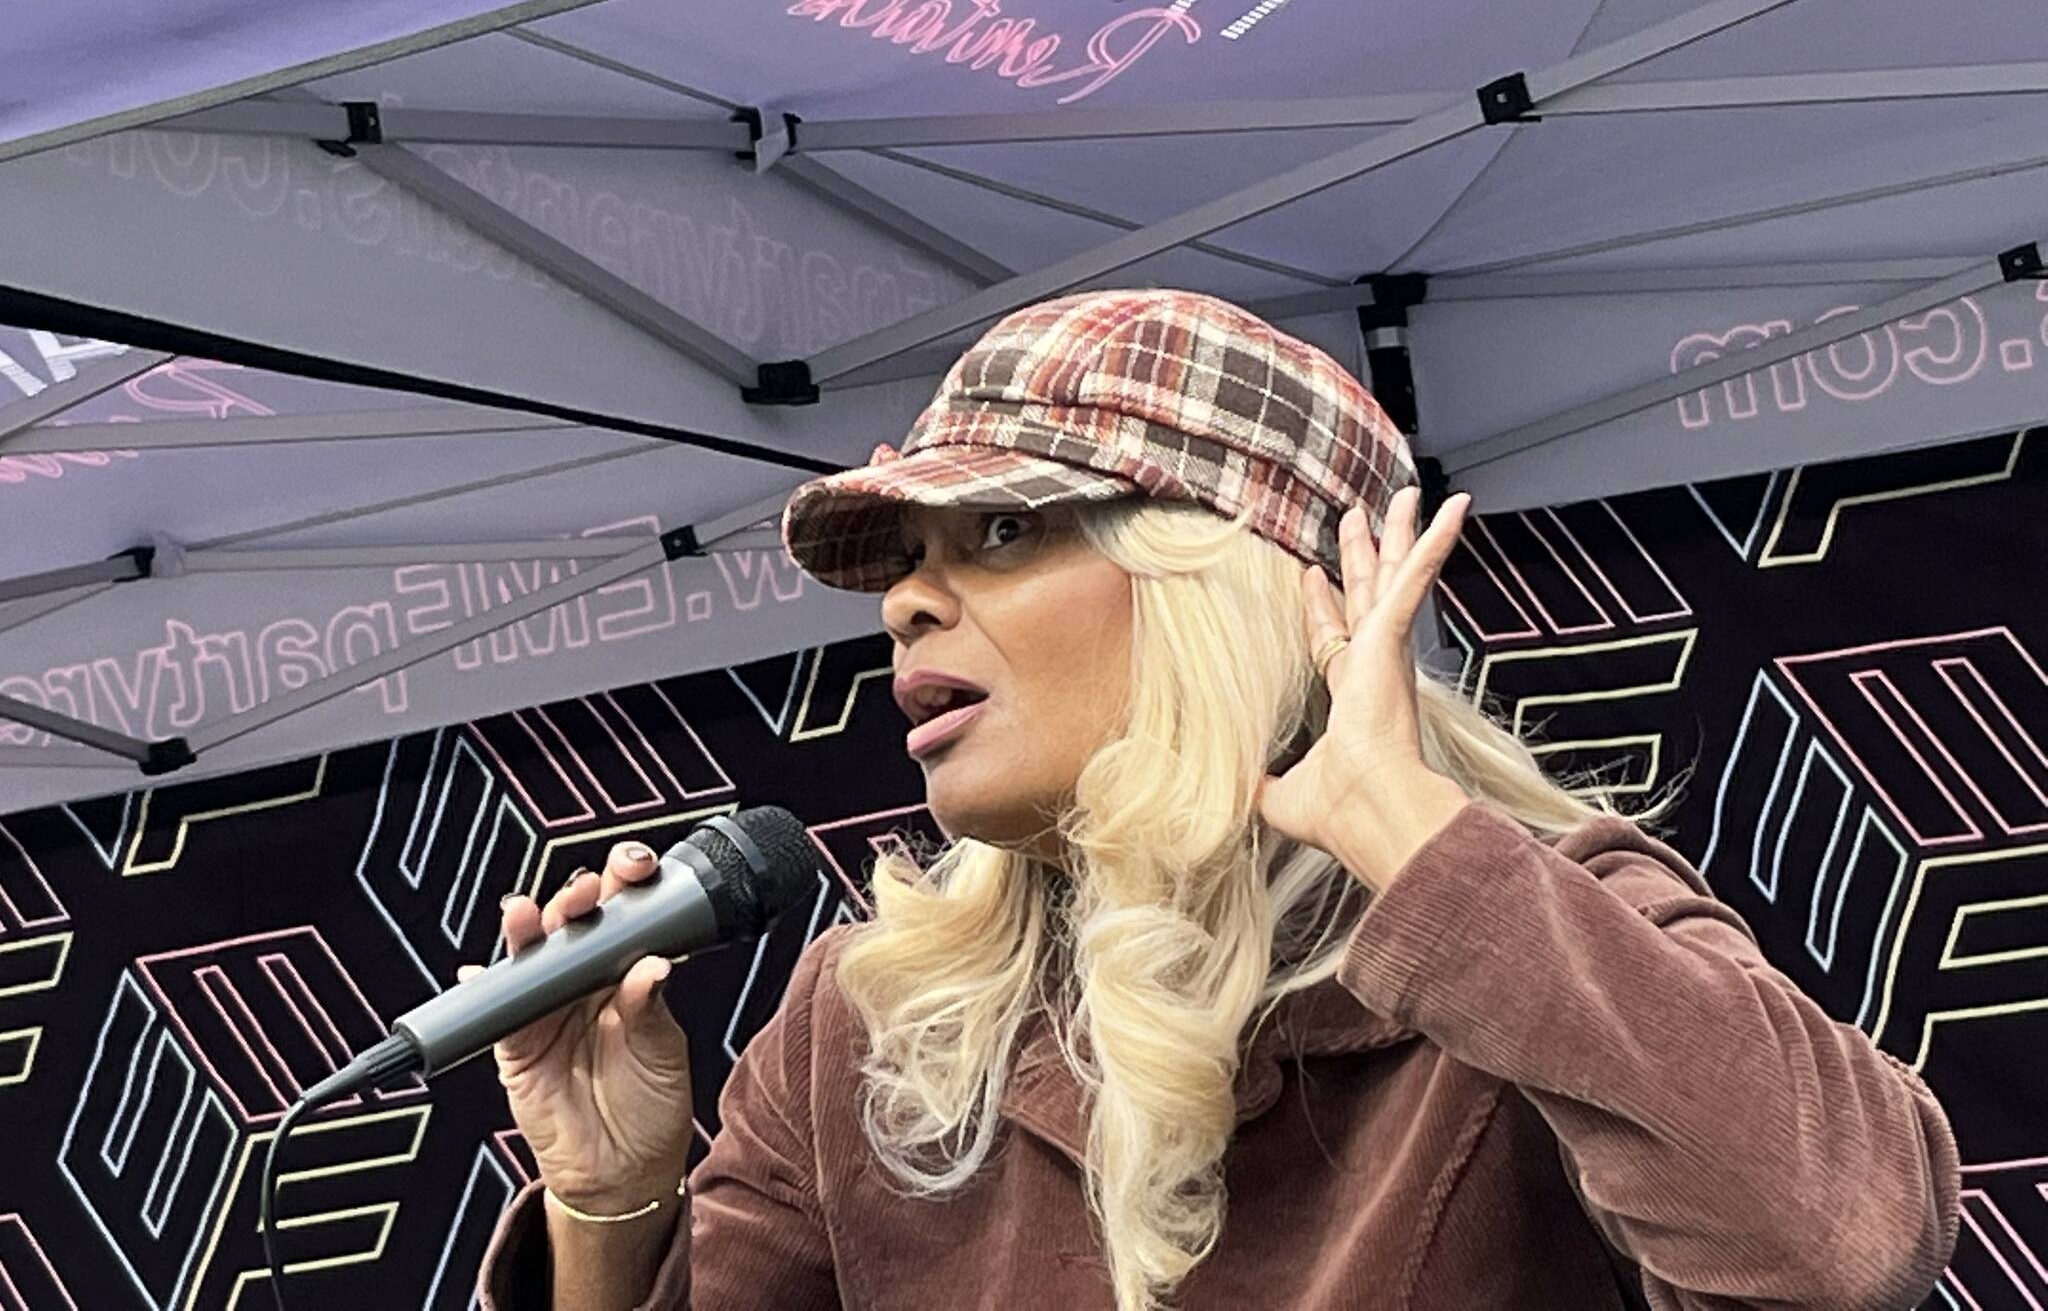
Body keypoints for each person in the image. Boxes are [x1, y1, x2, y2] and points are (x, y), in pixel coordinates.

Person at [474, 288, 1959, 1311]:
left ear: (1229, 585)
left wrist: (1422, 847)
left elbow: (1836, 1253)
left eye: (999, 529)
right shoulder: (862, 1020)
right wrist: (608, 1202)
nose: (908, 607)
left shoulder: (1545, 928)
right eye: (903, 564)